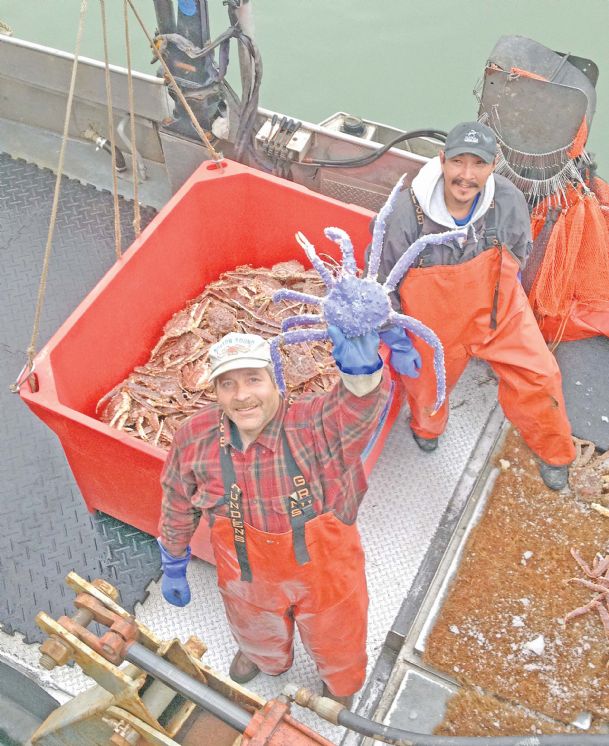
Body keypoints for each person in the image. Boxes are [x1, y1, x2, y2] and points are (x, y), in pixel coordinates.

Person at [157, 327, 392, 708]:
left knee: (339, 634)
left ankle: (340, 682)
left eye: (254, 379)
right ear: (215, 392)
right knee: (253, 626)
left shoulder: (314, 424)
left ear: (275, 382)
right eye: (227, 384)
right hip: (246, 574)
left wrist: (361, 371)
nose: (242, 395)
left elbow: (356, 409)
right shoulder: (193, 438)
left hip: (326, 573)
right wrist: (172, 559)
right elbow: (176, 501)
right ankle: (266, 658)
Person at [373, 120, 575, 490]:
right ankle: (427, 429)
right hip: (435, 328)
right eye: (458, 163)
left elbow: (520, 248)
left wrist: (505, 291)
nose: (467, 176)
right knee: (428, 391)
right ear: (442, 160)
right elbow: (383, 284)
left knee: (540, 376)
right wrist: (399, 341)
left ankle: (554, 453)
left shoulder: (509, 199)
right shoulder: (406, 212)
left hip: (499, 311)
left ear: (493, 165)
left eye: (478, 164)